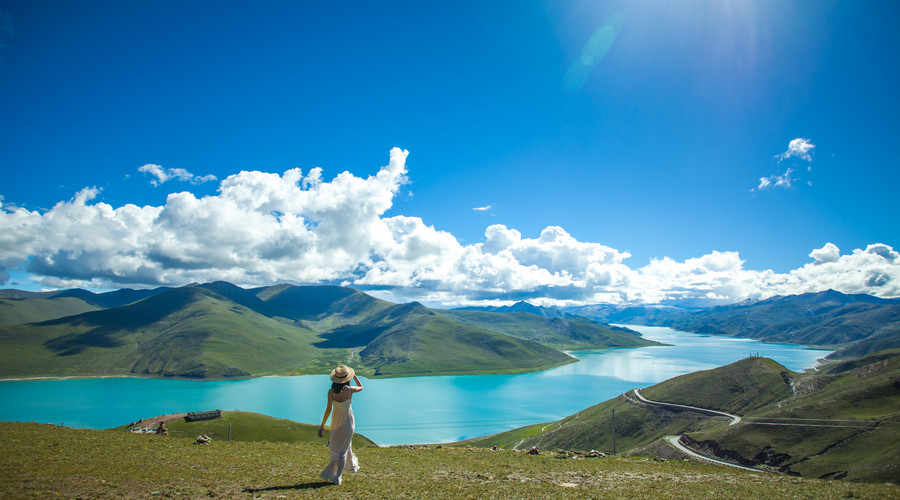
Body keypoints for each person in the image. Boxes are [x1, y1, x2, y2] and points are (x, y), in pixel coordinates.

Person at [318, 365, 363, 485]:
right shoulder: (349, 390)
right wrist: (355, 377)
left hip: (336, 423)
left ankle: (349, 469)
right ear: (347, 378)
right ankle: (338, 476)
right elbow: (361, 387)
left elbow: (328, 409)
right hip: (348, 422)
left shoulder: (331, 392)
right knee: (344, 448)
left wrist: (322, 426)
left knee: (339, 447)